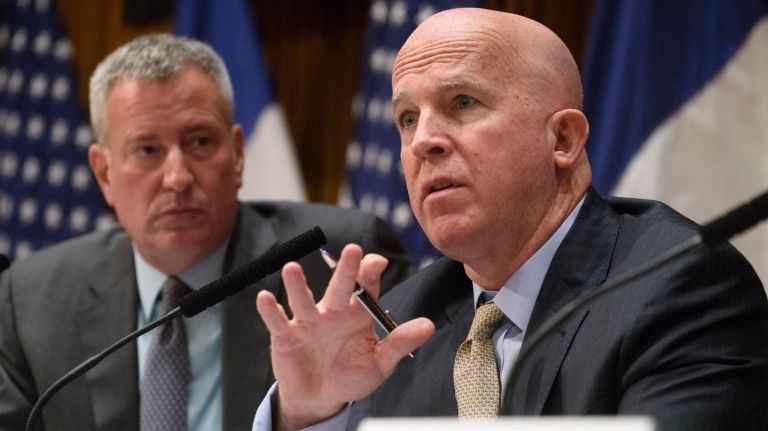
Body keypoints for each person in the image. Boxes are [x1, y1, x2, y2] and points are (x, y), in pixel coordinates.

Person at [252, 8, 768, 431]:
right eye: (407, 118)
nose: (423, 141)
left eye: (462, 102)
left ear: (562, 140)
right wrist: (310, 413)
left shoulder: (678, 286)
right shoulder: (402, 319)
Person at [0, 34, 411, 431]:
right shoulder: (33, 301)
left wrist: (306, 416)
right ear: (104, 173)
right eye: (147, 150)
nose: (177, 177)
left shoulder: (340, 262)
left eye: (199, 142)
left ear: (236, 155)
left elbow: (410, 409)